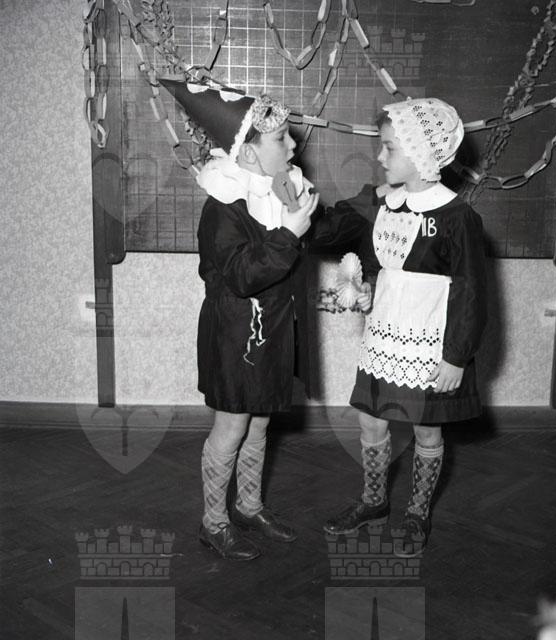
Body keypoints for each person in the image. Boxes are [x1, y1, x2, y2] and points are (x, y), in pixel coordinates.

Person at [161, 80, 366, 561]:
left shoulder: (282, 189)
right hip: (235, 336)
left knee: (258, 423)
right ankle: (213, 522)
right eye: (280, 139)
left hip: (271, 331)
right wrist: (288, 235)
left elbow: (322, 229)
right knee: (232, 426)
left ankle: (249, 505)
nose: (293, 145)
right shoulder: (223, 206)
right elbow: (241, 275)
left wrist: (371, 204)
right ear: (249, 153)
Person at [323, 97, 487, 556]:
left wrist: (456, 357)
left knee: (426, 430)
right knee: (370, 419)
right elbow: (373, 258)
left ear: (421, 153)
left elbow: (471, 292)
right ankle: (374, 500)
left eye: (389, 148)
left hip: (430, 345)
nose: (380, 156)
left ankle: (417, 513)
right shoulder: (386, 205)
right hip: (385, 337)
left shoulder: (457, 217)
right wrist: (369, 289)